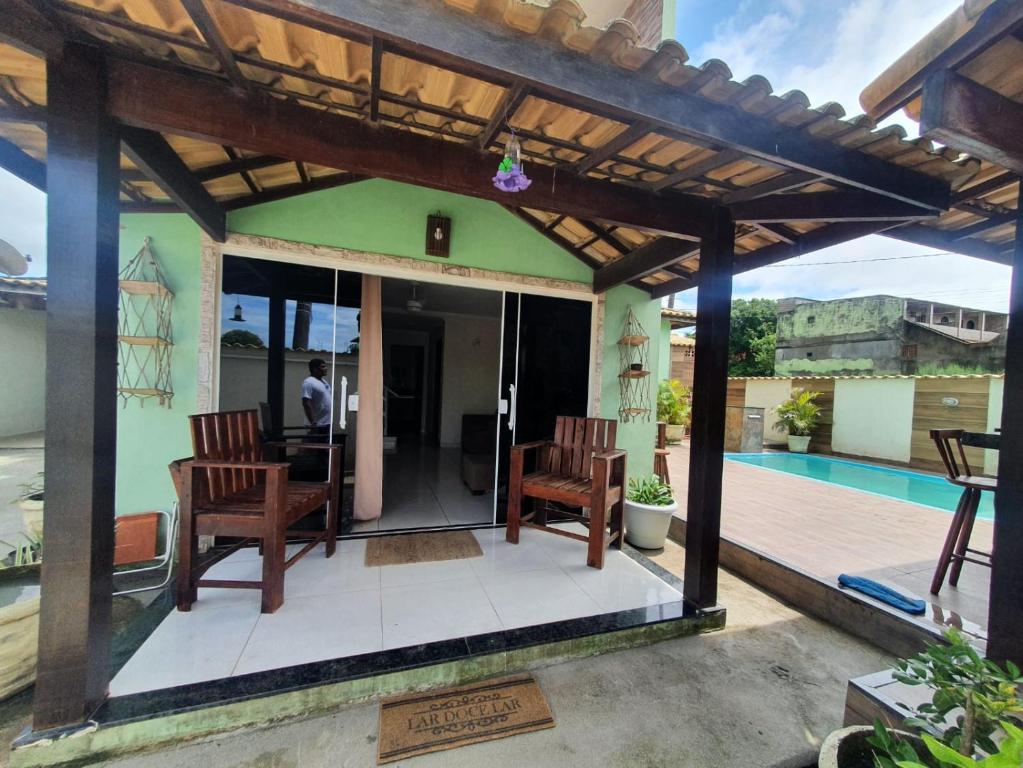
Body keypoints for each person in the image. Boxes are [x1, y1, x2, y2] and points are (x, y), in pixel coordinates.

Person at [301, 358, 332, 440]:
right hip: (317, 425)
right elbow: (306, 403)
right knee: (316, 449)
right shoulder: (309, 382)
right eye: (323, 367)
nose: (326, 368)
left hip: (326, 423)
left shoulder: (323, 381)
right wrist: (313, 423)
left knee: (324, 450)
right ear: (315, 369)